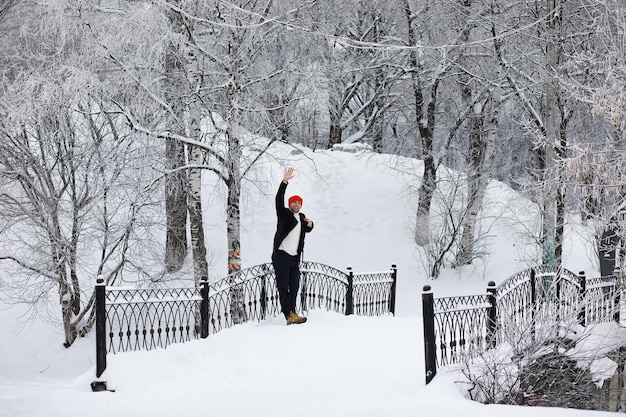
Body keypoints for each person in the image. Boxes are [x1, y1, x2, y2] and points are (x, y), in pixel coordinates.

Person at [272, 167, 314, 325]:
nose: (296, 204)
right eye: (294, 202)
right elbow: (278, 199)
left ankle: (292, 312)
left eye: (298, 202)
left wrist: (311, 225)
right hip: (281, 255)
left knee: (294, 285)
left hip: (294, 258)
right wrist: (284, 182)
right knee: (283, 286)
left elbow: (307, 230)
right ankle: (288, 314)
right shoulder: (284, 214)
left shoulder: (302, 217)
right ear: (290, 204)